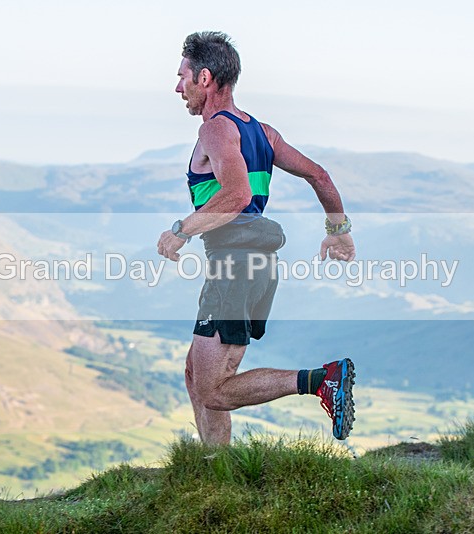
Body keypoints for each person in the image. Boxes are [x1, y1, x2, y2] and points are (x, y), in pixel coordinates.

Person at [156, 31, 357, 444]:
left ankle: (322, 380)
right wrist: (339, 233)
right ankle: (215, 471)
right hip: (253, 263)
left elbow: (237, 195)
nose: (178, 87)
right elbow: (319, 175)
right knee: (197, 373)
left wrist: (181, 231)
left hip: (236, 266)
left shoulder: (215, 130)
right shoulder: (262, 132)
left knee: (214, 389)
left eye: (183, 77)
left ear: (205, 78)